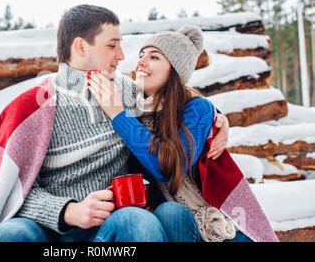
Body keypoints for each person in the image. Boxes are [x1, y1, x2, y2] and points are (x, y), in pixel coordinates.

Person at [0, 5, 231, 242]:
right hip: (45, 230)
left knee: (138, 223)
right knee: (5, 236)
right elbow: (8, 193)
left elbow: (174, 99)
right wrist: (67, 211)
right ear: (81, 47)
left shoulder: (127, 92)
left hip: (110, 229)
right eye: (112, 46)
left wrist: (216, 116)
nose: (121, 56)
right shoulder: (31, 109)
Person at [87, 25, 278, 242]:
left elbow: (166, 167)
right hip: (159, 225)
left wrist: (118, 115)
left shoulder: (194, 109)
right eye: (141, 55)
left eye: (154, 57)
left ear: (175, 70)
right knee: (166, 213)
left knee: (171, 212)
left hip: (212, 228)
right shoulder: (133, 109)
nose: (141, 61)